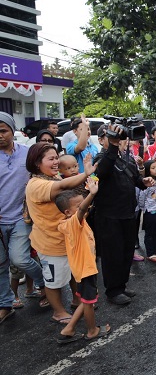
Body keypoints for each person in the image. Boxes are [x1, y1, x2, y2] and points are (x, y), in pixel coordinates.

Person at [25, 142, 97, 324]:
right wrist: (85, 173)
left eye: (57, 157)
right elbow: (63, 187)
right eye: (51, 159)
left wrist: (90, 177)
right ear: (36, 163)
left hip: (68, 239)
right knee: (54, 281)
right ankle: (58, 311)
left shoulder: (54, 177)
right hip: (51, 243)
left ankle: (76, 300)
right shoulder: (36, 184)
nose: (56, 162)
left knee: (74, 273)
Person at [93, 124, 156, 305]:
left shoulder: (125, 158)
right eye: (109, 137)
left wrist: (144, 181)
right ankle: (112, 291)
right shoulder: (100, 158)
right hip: (109, 216)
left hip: (128, 213)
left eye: (118, 138)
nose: (116, 140)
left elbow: (135, 179)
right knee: (112, 254)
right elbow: (102, 171)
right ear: (100, 140)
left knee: (126, 252)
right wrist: (113, 147)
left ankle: (121, 285)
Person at [0, 112, 46, 325]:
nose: (0, 135)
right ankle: (5, 305)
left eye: (3, 131)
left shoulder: (28, 154)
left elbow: (43, 174)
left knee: (19, 259)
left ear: (12, 131)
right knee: (0, 265)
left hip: (22, 218)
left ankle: (44, 282)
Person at [54, 179, 111, 344]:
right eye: (78, 206)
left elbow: (83, 207)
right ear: (67, 212)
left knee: (87, 299)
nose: (84, 208)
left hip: (83, 269)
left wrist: (89, 186)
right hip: (85, 270)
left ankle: (69, 329)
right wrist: (92, 194)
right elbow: (82, 209)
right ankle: (92, 331)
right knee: (88, 302)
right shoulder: (74, 222)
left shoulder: (73, 222)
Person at [139, 160, 156, 262]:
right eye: (153, 168)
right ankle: (151, 253)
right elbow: (142, 197)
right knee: (150, 232)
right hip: (150, 210)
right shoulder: (146, 183)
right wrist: (144, 209)